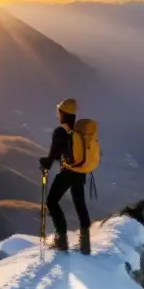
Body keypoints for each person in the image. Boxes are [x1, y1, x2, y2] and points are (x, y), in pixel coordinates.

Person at [39, 98, 92, 254]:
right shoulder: (80, 132)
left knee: (52, 201)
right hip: (81, 171)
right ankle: (85, 244)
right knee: (80, 205)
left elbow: (53, 155)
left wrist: (44, 164)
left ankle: (61, 240)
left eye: (59, 112)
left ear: (63, 114)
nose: (57, 115)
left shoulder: (61, 132)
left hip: (68, 172)